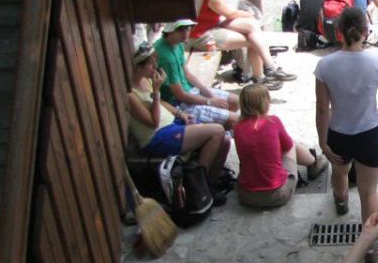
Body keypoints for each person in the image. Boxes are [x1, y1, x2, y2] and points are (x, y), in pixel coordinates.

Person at [314, 7, 378, 263]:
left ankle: (340, 201)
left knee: (339, 171)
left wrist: (323, 141)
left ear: (338, 32)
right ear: (365, 31)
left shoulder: (325, 65)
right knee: (368, 191)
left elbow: (321, 108)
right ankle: (371, 245)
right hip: (370, 134)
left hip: (339, 133)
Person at [126, 42, 230, 182]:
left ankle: (211, 183)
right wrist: (157, 91)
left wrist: (179, 113)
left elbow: (161, 103)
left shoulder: (146, 81)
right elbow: (153, 122)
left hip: (171, 125)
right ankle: (199, 183)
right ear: (138, 66)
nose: (155, 66)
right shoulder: (131, 95)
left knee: (226, 139)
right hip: (156, 138)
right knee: (217, 131)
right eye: (151, 64)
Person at [188, 0, 295, 88]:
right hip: (202, 35)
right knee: (253, 40)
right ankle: (262, 75)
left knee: (252, 28)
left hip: (212, 24)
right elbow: (230, 14)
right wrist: (248, 14)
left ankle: (268, 69)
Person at [233, 83, 328, 209]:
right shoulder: (272, 121)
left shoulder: (237, 127)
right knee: (291, 145)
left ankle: (313, 162)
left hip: (246, 195)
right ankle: (313, 163)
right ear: (264, 102)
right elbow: (288, 145)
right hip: (276, 194)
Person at [153, 18, 239, 127]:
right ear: (170, 31)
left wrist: (210, 95)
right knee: (235, 119)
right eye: (181, 30)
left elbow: (188, 74)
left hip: (190, 91)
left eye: (187, 28)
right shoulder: (167, 58)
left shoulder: (177, 43)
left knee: (235, 100)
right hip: (179, 103)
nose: (186, 33)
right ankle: (220, 130)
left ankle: (222, 128)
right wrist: (210, 101)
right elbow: (180, 95)